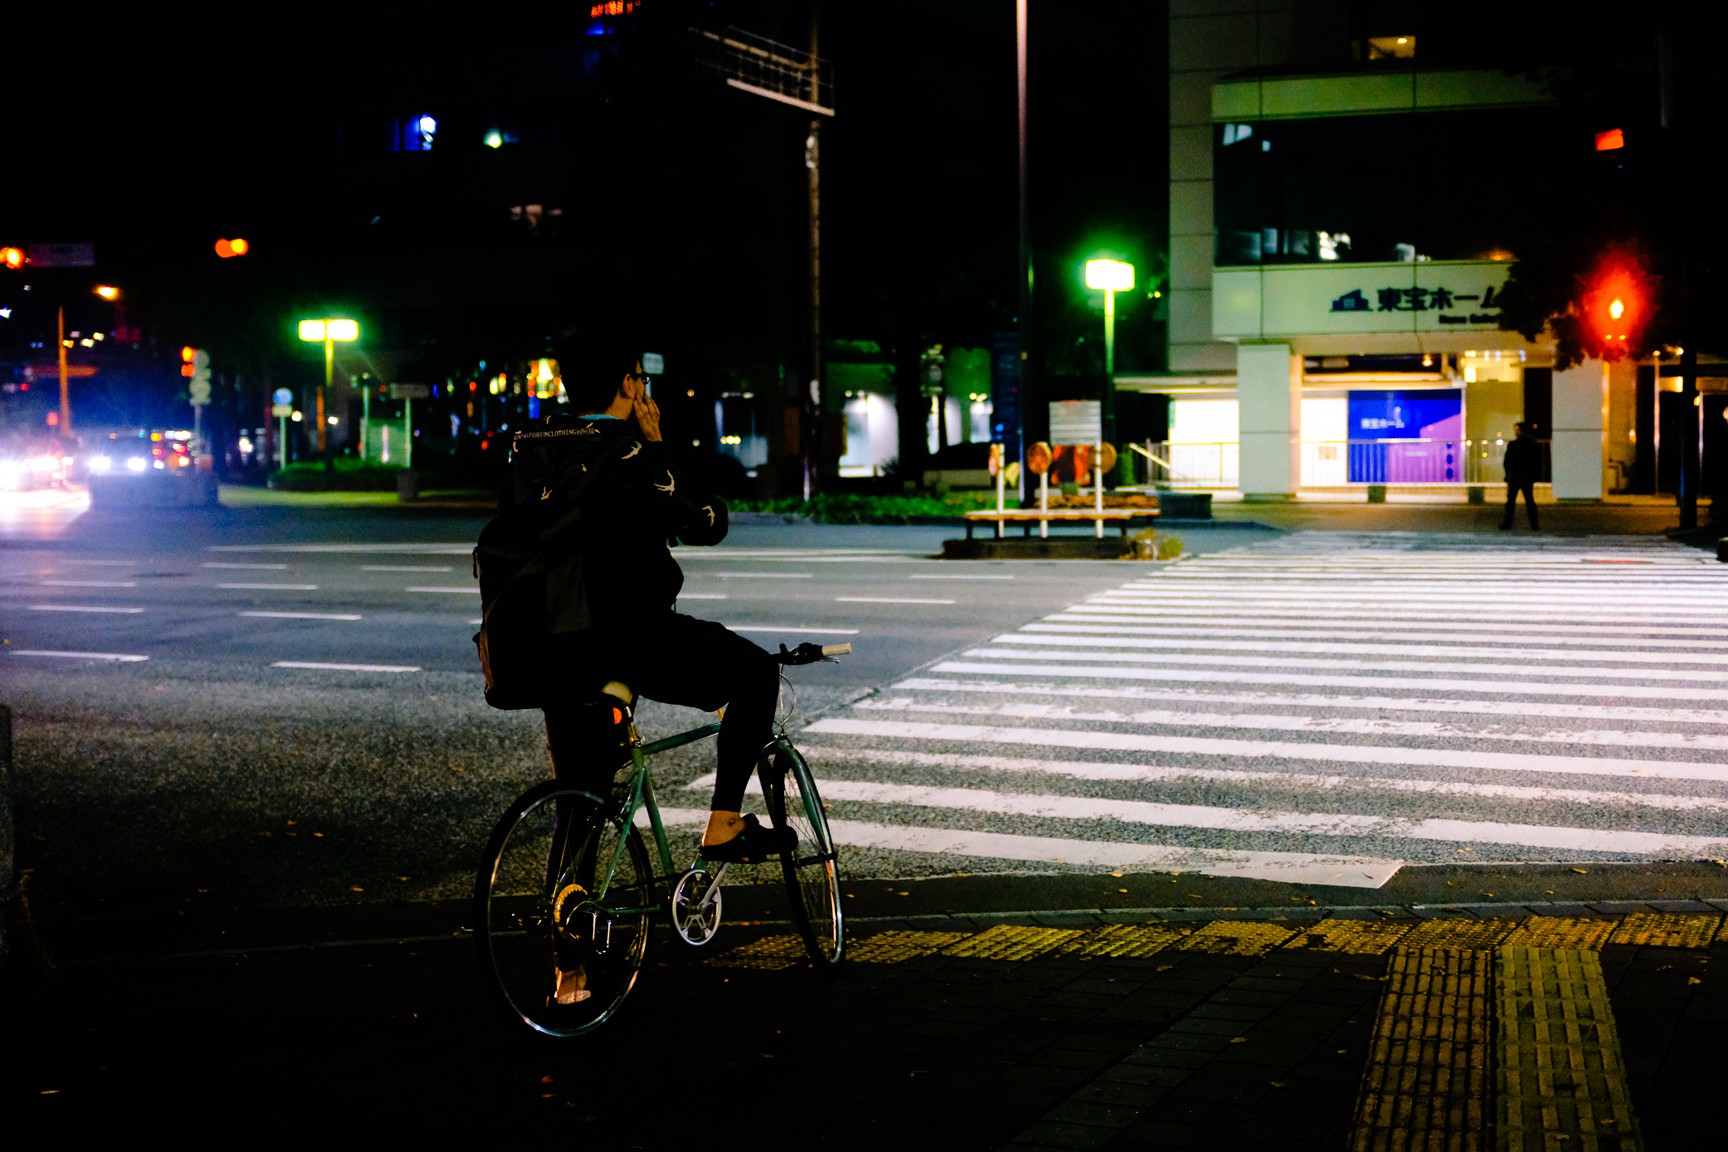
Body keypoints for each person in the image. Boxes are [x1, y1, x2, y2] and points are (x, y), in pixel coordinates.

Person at [510, 344, 785, 1001]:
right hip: (634, 640)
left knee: (578, 797)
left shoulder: (534, 448)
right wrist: (658, 443)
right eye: (638, 377)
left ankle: (568, 974)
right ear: (626, 385)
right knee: (753, 677)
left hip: (557, 645)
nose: (644, 386)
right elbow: (699, 523)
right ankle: (724, 824)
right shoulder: (630, 453)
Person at [1500, 422, 1540, 531]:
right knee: (1527, 500)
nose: (1516, 432)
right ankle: (1534, 524)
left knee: (1513, 501)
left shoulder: (1514, 445)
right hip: (1523, 475)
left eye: (1518, 430)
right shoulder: (1532, 444)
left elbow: (1507, 461)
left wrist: (1508, 474)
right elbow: (1536, 461)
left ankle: (1508, 523)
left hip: (1518, 475)